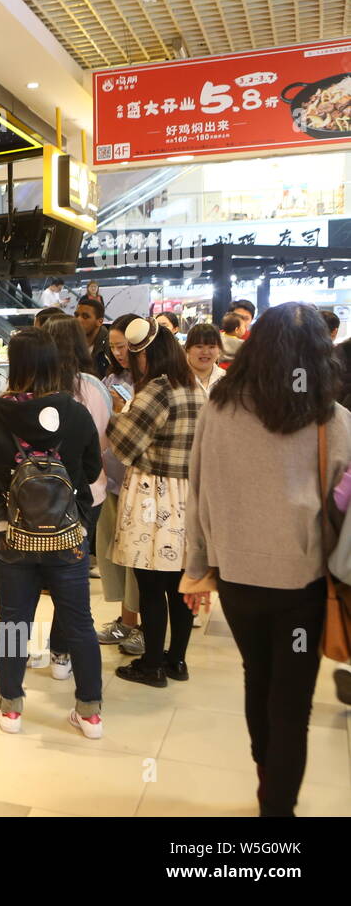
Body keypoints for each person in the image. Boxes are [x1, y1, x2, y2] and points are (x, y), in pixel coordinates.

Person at [185, 302, 351, 815]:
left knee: (256, 675)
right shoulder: (334, 419)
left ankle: (265, 776)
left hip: (237, 579)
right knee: (292, 705)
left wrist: (196, 569)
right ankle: (276, 808)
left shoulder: (219, 410)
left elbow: (198, 492)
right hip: (302, 586)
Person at [0, 329, 104, 738]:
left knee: (13, 621)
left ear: (16, 363)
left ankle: (11, 709)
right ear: (55, 363)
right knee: (79, 622)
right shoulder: (77, 413)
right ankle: (90, 712)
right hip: (67, 535)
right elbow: (93, 472)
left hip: (11, 533)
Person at [108, 319, 202, 687]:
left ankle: (151, 665)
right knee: (179, 585)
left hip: (153, 495)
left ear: (147, 354)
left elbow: (126, 445)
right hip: (187, 495)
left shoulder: (157, 391)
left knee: (149, 586)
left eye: (135, 356)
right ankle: (176, 661)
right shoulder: (194, 388)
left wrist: (117, 412)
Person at [41, 316, 110, 682]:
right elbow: (102, 445)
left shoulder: (33, 390)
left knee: (33, 577)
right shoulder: (95, 388)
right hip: (88, 493)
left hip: (38, 496)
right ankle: (62, 651)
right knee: (72, 574)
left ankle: (22, 659)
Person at [95, 314, 143, 651]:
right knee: (113, 554)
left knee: (136, 557)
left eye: (123, 346)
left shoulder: (153, 382)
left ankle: (136, 625)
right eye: (113, 347)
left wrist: (123, 409)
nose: (119, 352)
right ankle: (127, 622)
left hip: (139, 482)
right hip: (110, 476)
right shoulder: (110, 377)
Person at [184, 322, 226, 398]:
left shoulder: (227, 380)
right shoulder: (173, 380)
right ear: (187, 349)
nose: (205, 352)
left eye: (212, 347)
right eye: (199, 346)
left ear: (219, 349)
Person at [75, 296, 110, 379]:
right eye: (76, 315)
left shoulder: (110, 346)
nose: (78, 320)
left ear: (99, 321)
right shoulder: (71, 342)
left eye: (85, 316)